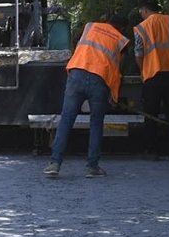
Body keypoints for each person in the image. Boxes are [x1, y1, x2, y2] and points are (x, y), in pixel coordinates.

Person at [44, 14, 130, 178]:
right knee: (96, 123)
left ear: (107, 22)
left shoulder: (90, 27)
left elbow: (77, 47)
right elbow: (117, 70)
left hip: (76, 74)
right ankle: (92, 167)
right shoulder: (120, 40)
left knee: (66, 119)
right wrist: (114, 95)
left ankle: (55, 163)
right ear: (123, 28)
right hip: (99, 81)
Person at [133, 0, 169, 161]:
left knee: (151, 114)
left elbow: (139, 53)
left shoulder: (141, 28)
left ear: (144, 10)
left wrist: (143, 70)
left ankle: (152, 151)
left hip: (152, 76)